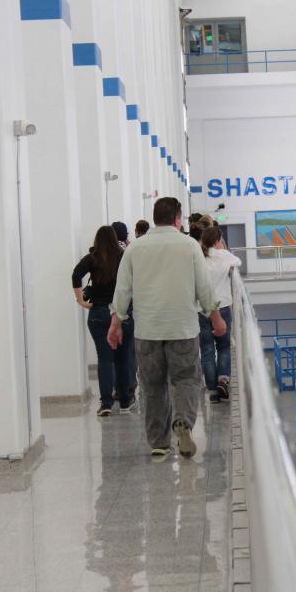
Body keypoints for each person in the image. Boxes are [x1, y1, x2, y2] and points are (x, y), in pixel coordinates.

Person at [108, 197, 226, 459]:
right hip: (182, 327)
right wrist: (216, 317)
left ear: (154, 218)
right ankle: (182, 421)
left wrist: (116, 323)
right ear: (177, 218)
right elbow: (204, 287)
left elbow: (123, 289)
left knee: (152, 386)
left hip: (148, 330)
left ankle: (159, 443)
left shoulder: (135, 249)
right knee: (185, 379)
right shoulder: (189, 246)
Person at [72, 226, 136, 417]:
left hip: (98, 313)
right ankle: (125, 401)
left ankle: (106, 403)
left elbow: (76, 274)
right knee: (123, 358)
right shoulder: (123, 256)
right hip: (121, 312)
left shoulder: (93, 258)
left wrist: (80, 300)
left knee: (105, 358)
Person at [199, 226, 242, 403]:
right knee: (223, 347)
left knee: (207, 350)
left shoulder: (199, 257)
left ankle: (212, 389)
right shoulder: (224, 255)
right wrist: (223, 252)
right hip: (222, 306)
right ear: (218, 241)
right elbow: (238, 262)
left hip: (201, 310)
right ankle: (223, 380)